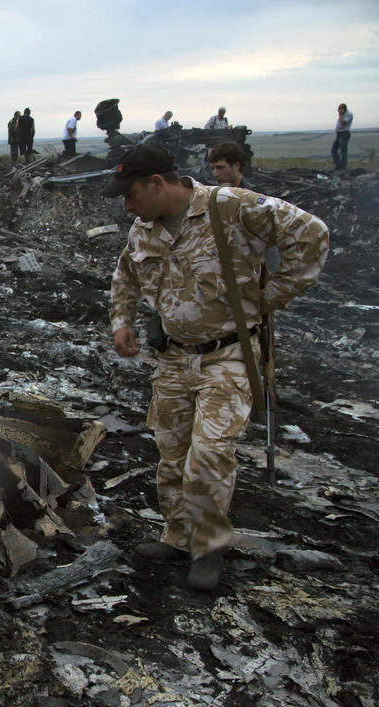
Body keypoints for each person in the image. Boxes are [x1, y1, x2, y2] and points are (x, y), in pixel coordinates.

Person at [103, 144, 329, 590]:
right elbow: (125, 275)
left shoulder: (230, 206)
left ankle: (208, 547)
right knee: (172, 453)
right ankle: (177, 536)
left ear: (157, 184)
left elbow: (313, 234)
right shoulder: (142, 228)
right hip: (173, 358)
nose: (127, 205)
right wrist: (121, 322)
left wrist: (271, 296)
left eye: (130, 194)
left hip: (228, 355)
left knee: (208, 455)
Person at [331, 103, 353, 171]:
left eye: (339, 109)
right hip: (339, 134)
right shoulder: (343, 115)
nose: (338, 111)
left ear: (343, 109)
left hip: (344, 134)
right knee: (334, 150)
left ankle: (343, 167)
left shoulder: (348, 114)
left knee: (343, 151)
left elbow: (343, 123)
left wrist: (340, 115)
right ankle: (338, 165)